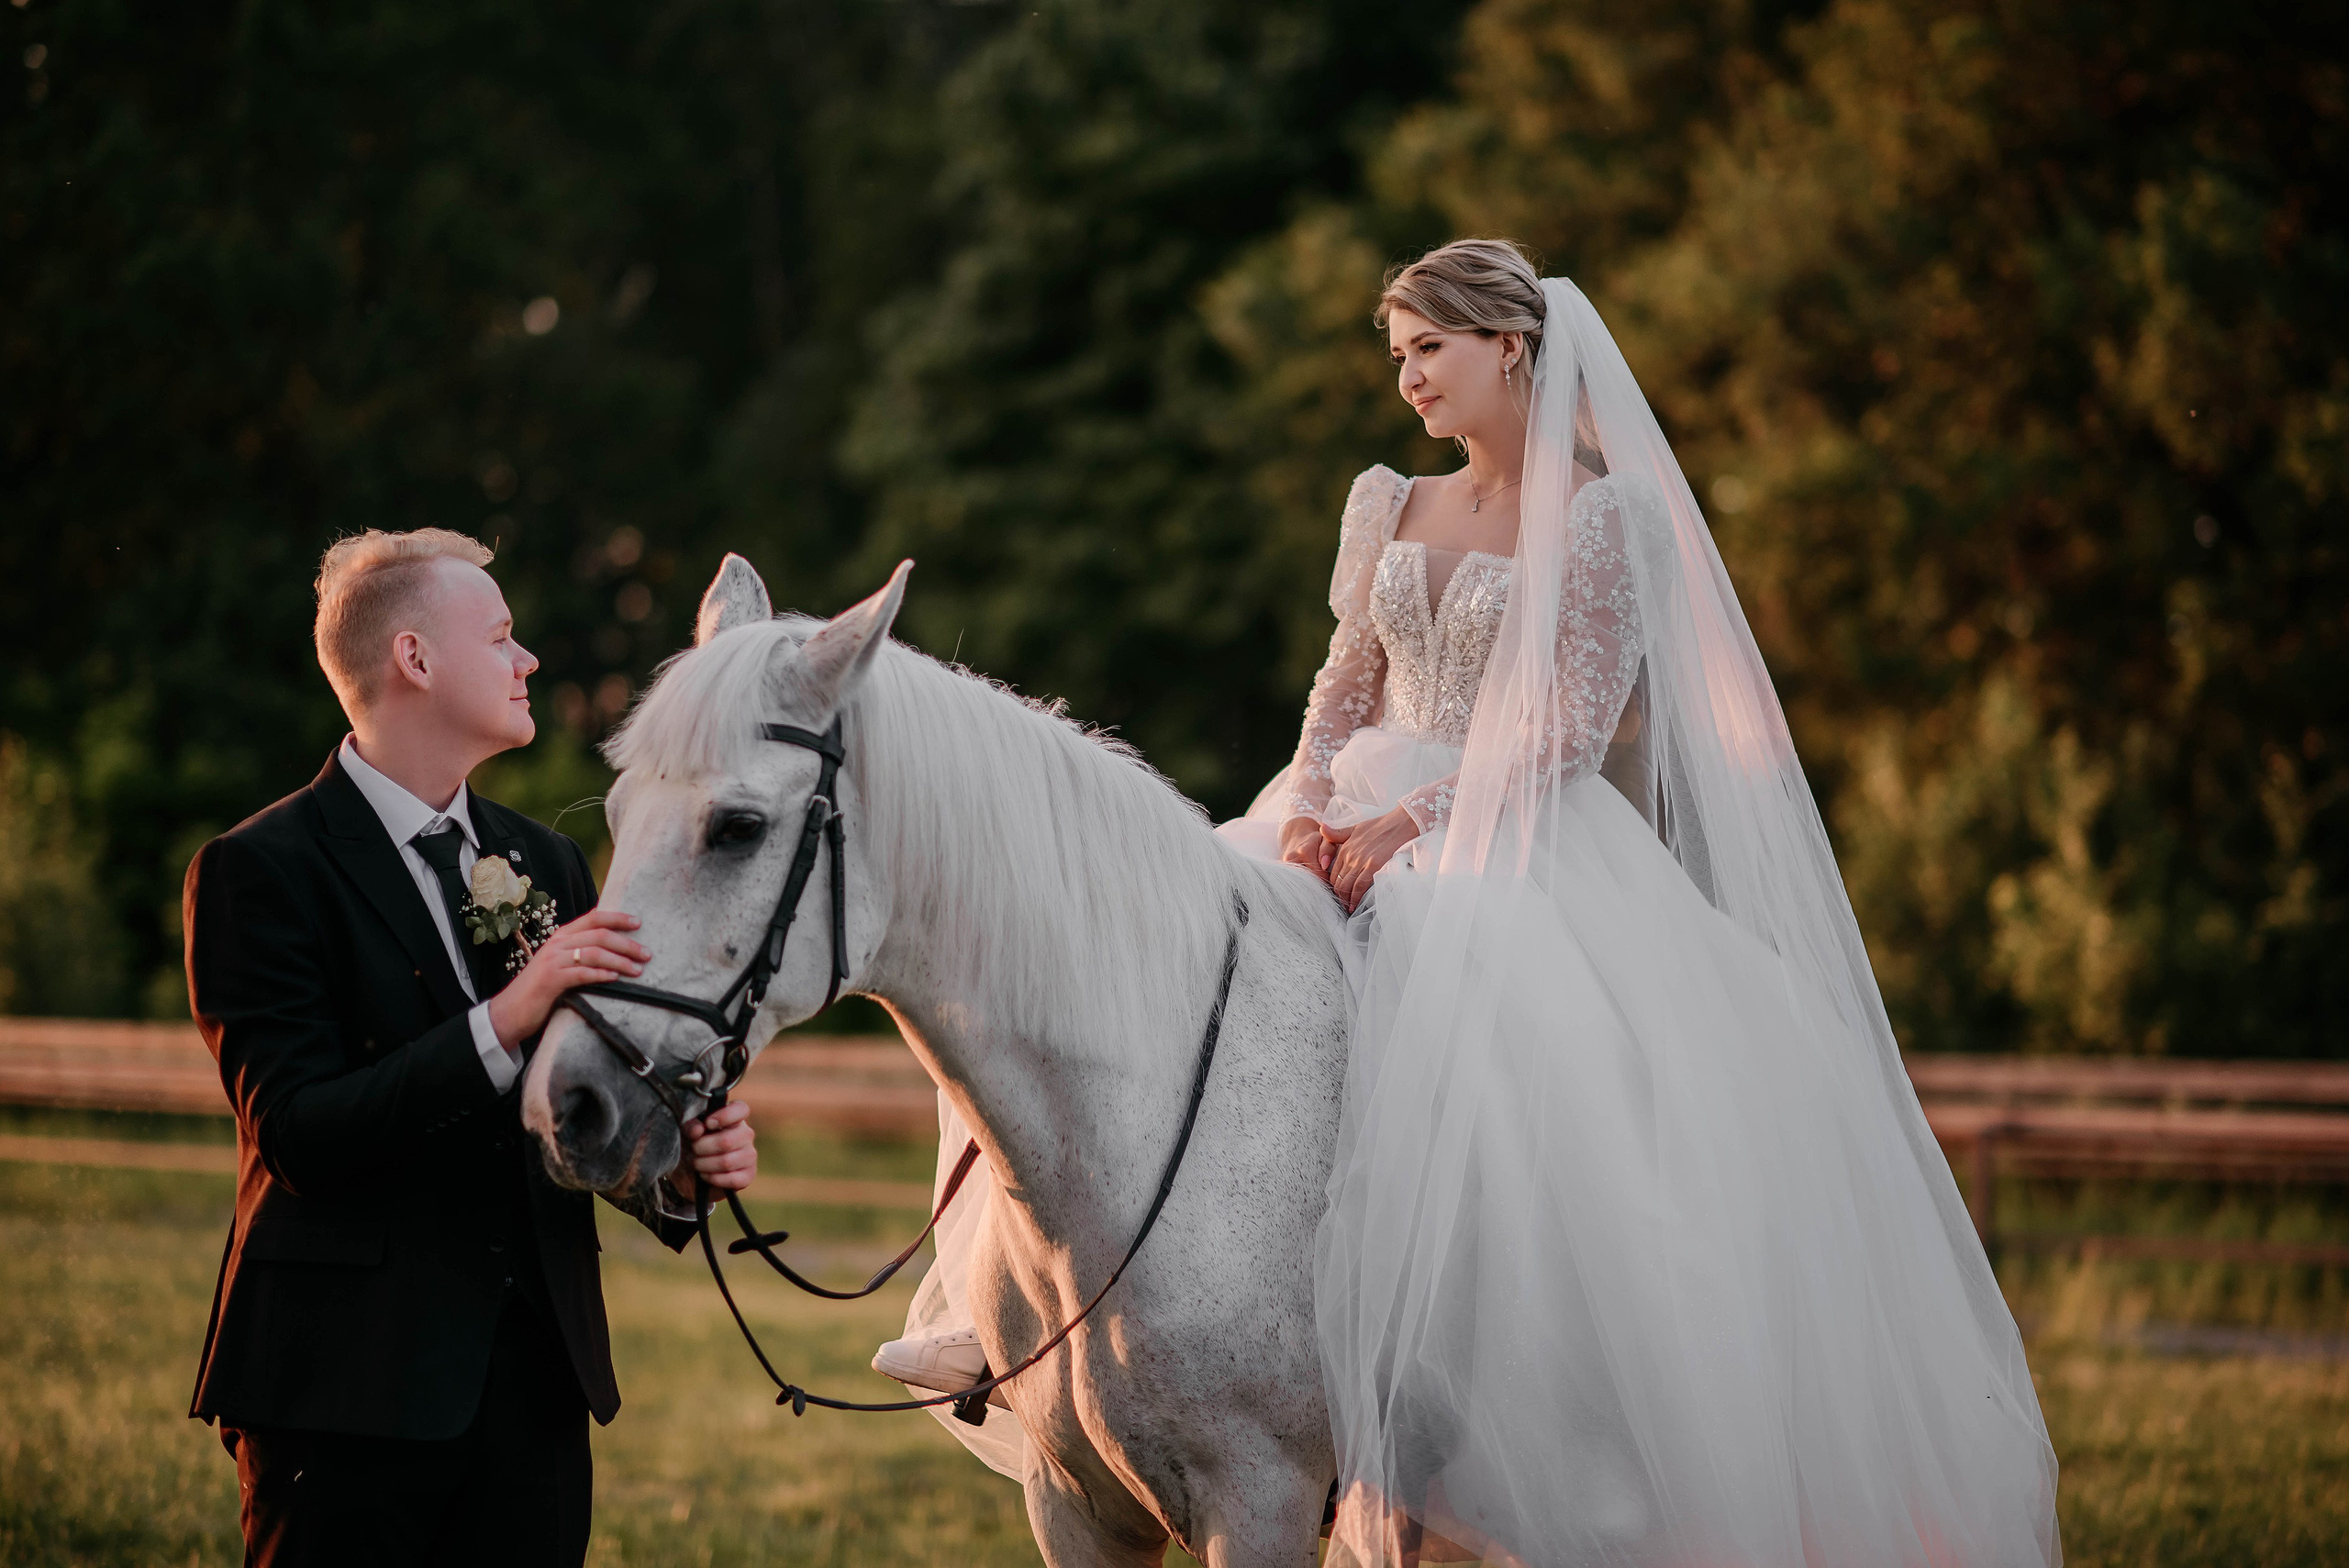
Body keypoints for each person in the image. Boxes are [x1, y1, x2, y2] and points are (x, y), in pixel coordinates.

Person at [888, 239, 2063, 1566]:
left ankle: (1479, 1383)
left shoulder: (1603, 518)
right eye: (1396, 357)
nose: (1408, 380)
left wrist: (1412, 824)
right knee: (1109, 983)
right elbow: (1344, 684)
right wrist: (1316, 808)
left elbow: (1565, 731)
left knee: (1505, 1100)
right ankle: (995, 1311)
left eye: (1426, 349)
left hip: (1510, 846)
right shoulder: (1389, 500)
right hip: (1340, 817)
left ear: (1508, 346)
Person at [183, 528, 759, 1568]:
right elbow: (301, 1134)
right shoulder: (257, 871)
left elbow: (593, 1111)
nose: (527, 658)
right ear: (414, 659)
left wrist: (683, 1172)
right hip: (339, 1394)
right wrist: (507, 1014)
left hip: (537, 1393)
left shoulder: (549, 860)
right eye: (500, 634)